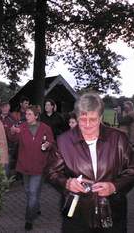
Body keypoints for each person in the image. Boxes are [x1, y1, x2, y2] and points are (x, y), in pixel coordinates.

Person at [45, 92, 134, 233]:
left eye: (92, 120)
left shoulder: (119, 139)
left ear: (101, 117)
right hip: (77, 216)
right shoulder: (63, 141)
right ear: (76, 116)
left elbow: (131, 170)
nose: (87, 125)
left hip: (112, 214)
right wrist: (66, 183)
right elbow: (51, 172)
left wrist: (114, 186)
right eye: (82, 119)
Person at [9, 105, 54, 231]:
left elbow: (51, 142)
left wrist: (48, 144)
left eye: (29, 114)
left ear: (36, 116)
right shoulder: (22, 127)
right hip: (24, 166)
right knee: (29, 192)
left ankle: (29, 219)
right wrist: (12, 131)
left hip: (39, 166)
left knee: (33, 193)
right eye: (26, 114)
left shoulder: (45, 128)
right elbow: (12, 138)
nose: (26, 116)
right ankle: (36, 207)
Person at [0, 102, 18, 176]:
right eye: (3, 107)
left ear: (9, 108)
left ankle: (5, 183)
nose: (5, 109)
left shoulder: (12, 118)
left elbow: (16, 133)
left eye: (6, 107)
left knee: (6, 164)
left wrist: (10, 132)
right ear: (0, 108)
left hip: (9, 145)